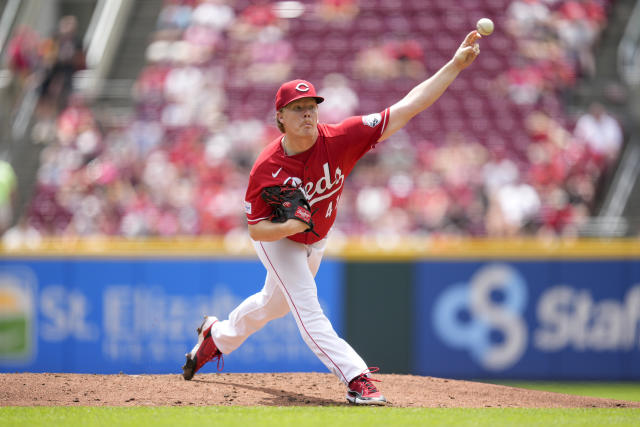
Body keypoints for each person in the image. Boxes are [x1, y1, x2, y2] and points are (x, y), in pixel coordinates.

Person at [182, 30, 482, 405]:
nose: (307, 113)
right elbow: (255, 227)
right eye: (297, 108)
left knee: (273, 304)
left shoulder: (341, 137)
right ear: (280, 117)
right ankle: (357, 379)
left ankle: (216, 337)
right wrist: (289, 226)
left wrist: (454, 65)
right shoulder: (267, 167)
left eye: (312, 106)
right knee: (307, 307)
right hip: (279, 240)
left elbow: (407, 107)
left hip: (316, 238)